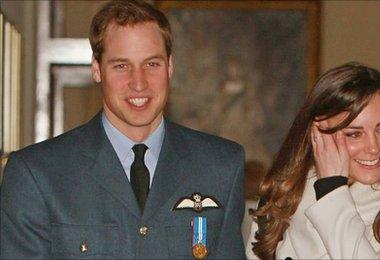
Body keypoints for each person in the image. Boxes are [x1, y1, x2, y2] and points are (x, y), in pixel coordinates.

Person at [0, 1, 245, 258]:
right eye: (121, 66)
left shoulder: (221, 166)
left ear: (170, 66)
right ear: (96, 69)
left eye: (152, 64)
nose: (138, 84)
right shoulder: (37, 175)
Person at [246, 63, 380, 259]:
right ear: (319, 133)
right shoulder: (284, 191)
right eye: (354, 134)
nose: (373, 147)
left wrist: (332, 190)